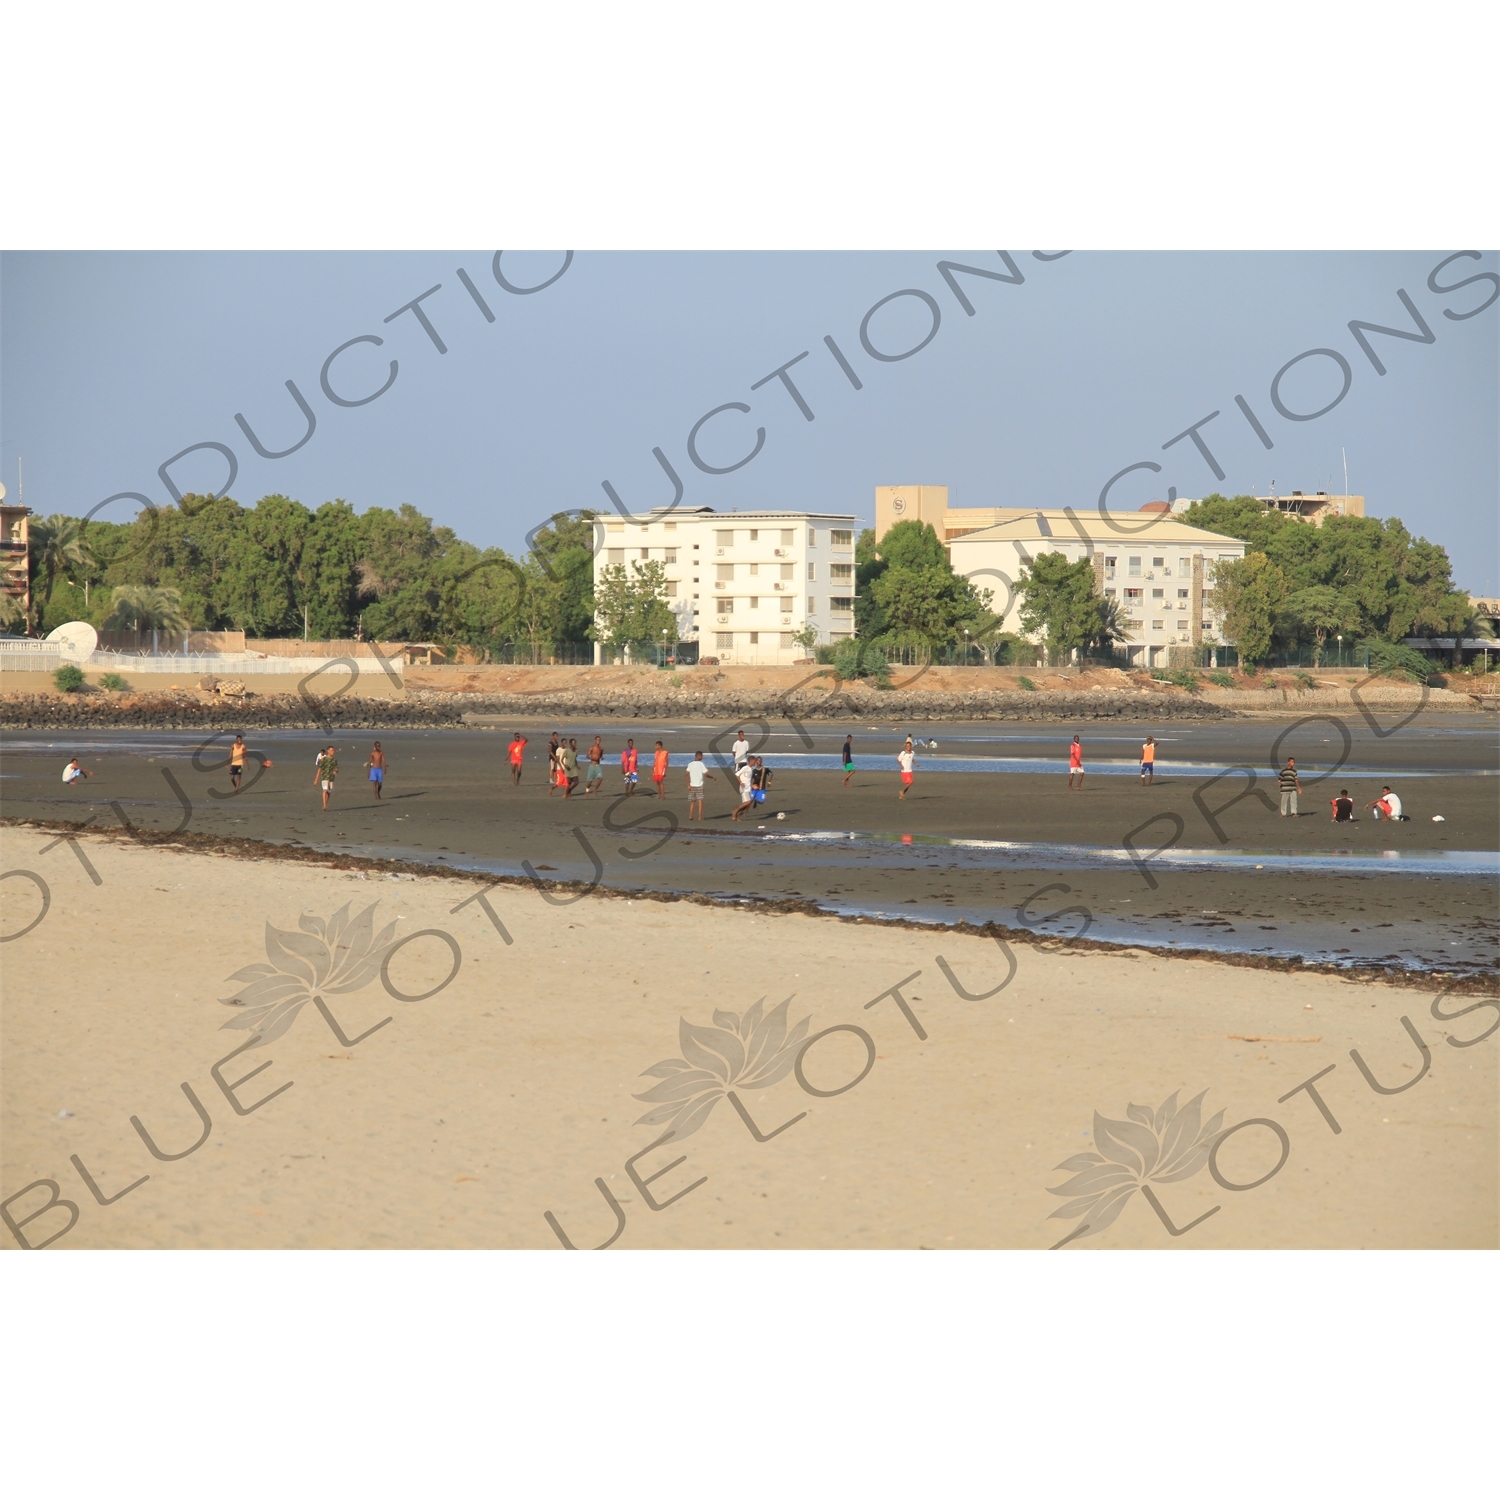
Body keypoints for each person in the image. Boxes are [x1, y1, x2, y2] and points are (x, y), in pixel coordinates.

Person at [685, 750, 715, 819]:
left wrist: (688, 784)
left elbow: (686, 774)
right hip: (699, 785)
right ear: (698, 756)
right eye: (701, 755)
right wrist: (712, 777)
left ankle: (691, 815)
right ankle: (699, 816)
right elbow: (706, 774)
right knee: (700, 801)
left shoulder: (690, 764)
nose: (702, 757)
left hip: (692, 785)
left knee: (692, 801)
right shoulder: (701, 764)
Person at [314, 745, 338, 810]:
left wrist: (336, 771)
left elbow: (336, 768)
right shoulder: (324, 759)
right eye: (331, 750)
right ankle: (324, 805)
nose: (333, 752)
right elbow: (319, 769)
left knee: (329, 792)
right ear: (328, 751)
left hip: (331, 778)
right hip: (325, 776)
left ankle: (325, 804)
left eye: (333, 750)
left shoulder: (334, 760)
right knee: (325, 789)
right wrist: (316, 779)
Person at [546, 732, 561, 796]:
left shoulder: (556, 743)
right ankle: (550, 779)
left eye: (557, 736)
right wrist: (554, 757)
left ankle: (555, 779)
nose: (556, 737)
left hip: (556, 757)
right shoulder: (550, 743)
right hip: (552, 757)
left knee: (555, 769)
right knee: (552, 768)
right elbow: (550, 751)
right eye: (555, 736)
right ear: (553, 736)